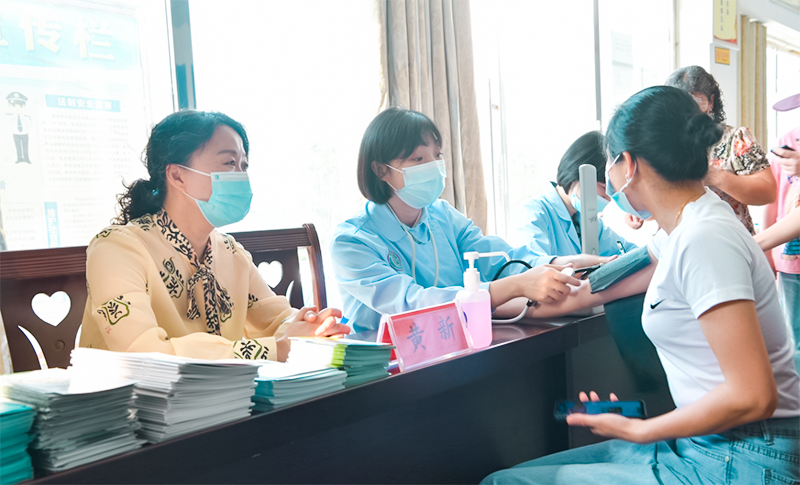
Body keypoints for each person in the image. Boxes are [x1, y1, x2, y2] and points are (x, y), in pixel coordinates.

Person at [483, 86, 800, 484]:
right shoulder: (679, 232)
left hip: (746, 454)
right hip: (710, 444)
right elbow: (582, 294)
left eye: (608, 163)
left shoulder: (704, 239)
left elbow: (755, 395)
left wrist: (642, 430)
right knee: (511, 477)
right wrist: (494, 297)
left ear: (628, 164)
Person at [80, 110, 349, 361]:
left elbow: (276, 319)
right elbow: (142, 352)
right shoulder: (117, 248)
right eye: (229, 162)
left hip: (225, 394)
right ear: (177, 175)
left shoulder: (230, 252)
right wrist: (278, 348)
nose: (241, 176)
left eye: (243, 165)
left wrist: (311, 326)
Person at [330, 107, 580, 333]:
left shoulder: (442, 215)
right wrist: (516, 286)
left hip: (456, 340)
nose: (434, 166)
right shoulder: (351, 241)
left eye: (437, 155)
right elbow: (410, 303)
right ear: (381, 170)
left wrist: (562, 265)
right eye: (418, 159)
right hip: (386, 360)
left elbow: (498, 258)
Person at [664, 65, 776, 234]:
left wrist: (713, 176)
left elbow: (768, 193)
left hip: (730, 237)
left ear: (711, 102)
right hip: (680, 237)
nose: (687, 112)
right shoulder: (666, 143)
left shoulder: (735, 139)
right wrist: (639, 213)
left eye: (696, 102)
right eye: (680, 104)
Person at [516, 130, 633, 267]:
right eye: (603, 188)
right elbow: (529, 266)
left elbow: (629, 252)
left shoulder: (589, 221)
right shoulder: (532, 213)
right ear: (578, 174)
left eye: (611, 192)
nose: (607, 198)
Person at [757, 122, 800, 372]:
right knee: (794, 338)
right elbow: (771, 200)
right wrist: (766, 254)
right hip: (790, 263)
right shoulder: (786, 141)